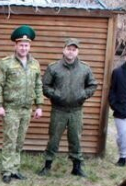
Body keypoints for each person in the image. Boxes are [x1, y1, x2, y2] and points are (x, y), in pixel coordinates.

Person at [38, 38, 98, 177]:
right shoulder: (53, 68)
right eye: (68, 49)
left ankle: (77, 167)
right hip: (58, 110)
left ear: (77, 51)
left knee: (75, 139)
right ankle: (47, 165)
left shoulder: (85, 68)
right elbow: (45, 86)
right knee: (53, 139)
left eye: (74, 49)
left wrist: (83, 94)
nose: (71, 52)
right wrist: (56, 95)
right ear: (63, 50)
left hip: (76, 111)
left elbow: (93, 85)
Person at [0, 25, 44, 184]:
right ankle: (7, 171)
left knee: (20, 141)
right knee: (10, 140)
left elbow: (38, 85)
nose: (23, 47)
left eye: (26, 45)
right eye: (21, 44)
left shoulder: (35, 64)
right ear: (15, 45)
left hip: (26, 109)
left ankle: (15, 169)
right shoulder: (5, 63)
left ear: (30, 46)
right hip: (11, 108)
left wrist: (39, 106)